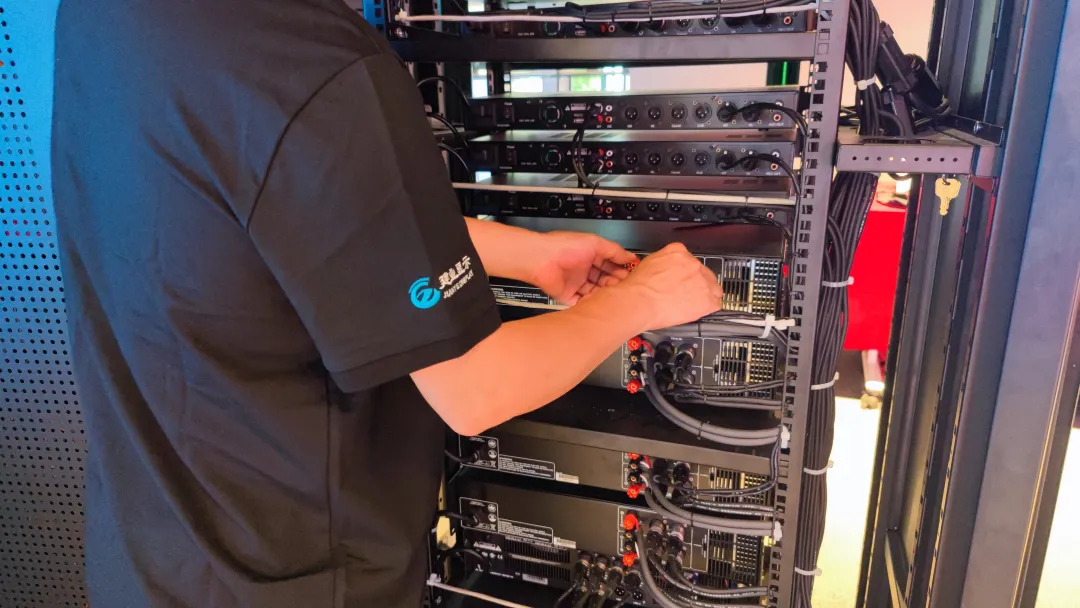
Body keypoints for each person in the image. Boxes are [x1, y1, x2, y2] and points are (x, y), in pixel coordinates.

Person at [50, 1, 724, 607]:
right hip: (295, 578)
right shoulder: (316, 63)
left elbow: (268, 215)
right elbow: (478, 388)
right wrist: (638, 301)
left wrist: (526, 254)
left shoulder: (109, 17)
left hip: (149, 560)